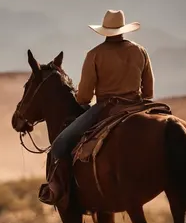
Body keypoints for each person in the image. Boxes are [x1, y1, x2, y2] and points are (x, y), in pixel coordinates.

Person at [51, 9, 154, 163]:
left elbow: (84, 97)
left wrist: (80, 97)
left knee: (60, 146)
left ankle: (67, 183)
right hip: (136, 104)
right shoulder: (140, 51)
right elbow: (148, 92)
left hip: (106, 107)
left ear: (104, 31)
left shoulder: (95, 54)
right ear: (123, 29)